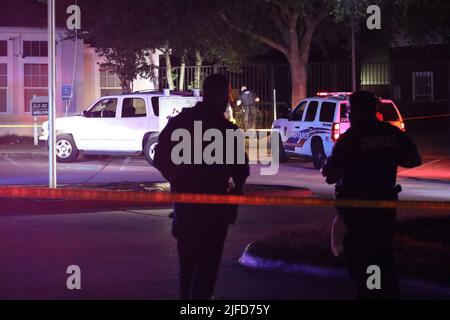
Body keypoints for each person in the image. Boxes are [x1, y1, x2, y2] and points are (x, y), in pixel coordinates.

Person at [153, 74, 250, 300]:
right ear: (222, 95)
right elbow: (241, 172)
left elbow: (160, 157)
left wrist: (176, 178)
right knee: (207, 272)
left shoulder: (181, 122)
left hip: (186, 207)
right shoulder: (226, 130)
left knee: (187, 270)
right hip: (214, 211)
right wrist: (234, 199)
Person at [322, 91, 421, 300]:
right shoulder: (391, 133)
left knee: (363, 260)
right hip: (383, 209)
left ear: (356, 111)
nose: (349, 114)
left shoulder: (351, 138)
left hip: (357, 212)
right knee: (381, 256)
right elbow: (413, 159)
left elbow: (330, 175)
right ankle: (383, 292)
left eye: (349, 110)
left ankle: (370, 293)